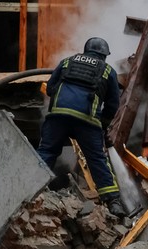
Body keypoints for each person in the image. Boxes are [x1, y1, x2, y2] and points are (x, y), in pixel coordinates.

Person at [37, 37, 126, 218]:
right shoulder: (108, 70)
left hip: (57, 117)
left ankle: (30, 189)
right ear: (104, 55)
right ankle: (113, 202)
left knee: (47, 151)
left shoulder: (67, 62)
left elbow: (50, 88)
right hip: (86, 121)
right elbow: (113, 104)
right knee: (97, 160)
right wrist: (104, 126)